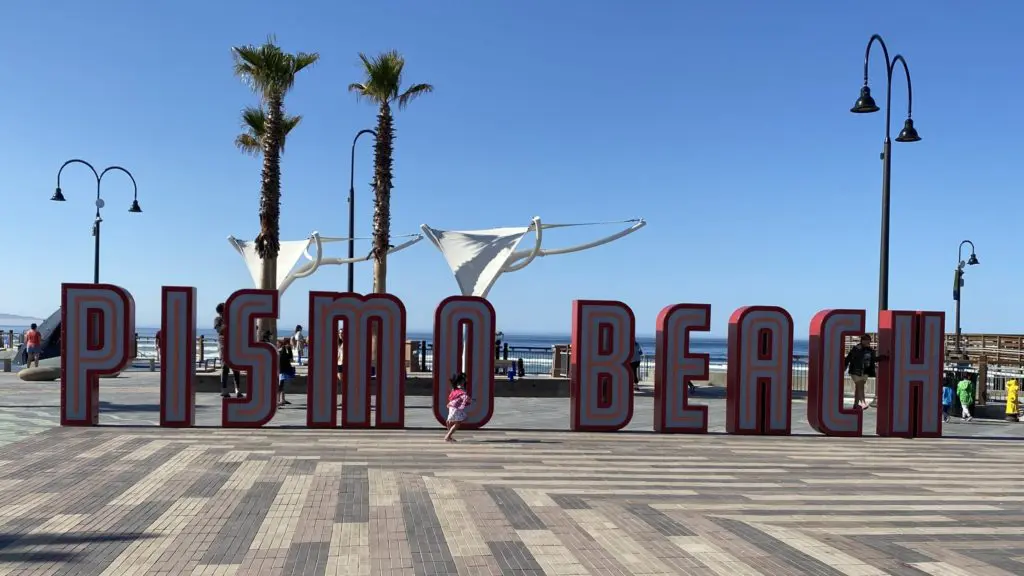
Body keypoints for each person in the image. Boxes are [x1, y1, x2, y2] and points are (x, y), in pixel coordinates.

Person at [844, 335, 884, 410]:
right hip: (855, 371)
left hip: (865, 372)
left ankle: (856, 405)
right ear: (861, 340)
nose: (867, 341)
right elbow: (849, 357)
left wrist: (883, 357)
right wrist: (845, 365)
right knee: (860, 385)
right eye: (865, 340)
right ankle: (863, 403)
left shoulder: (871, 350)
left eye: (868, 340)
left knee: (859, 387)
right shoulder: (856, 348)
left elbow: (873, 360)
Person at [214, 303, 243, 399]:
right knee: (225, 367)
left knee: (236, 368)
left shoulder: (232, 318)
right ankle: (224, 390)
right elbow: (219, 330)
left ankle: (238, 390)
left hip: (233, 343)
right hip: (223, 345)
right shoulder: (218, 320)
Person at [444, 373, 472, 443]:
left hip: (452, 406)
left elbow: (451, 397)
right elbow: (465, 398)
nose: (465, 382)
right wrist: (469, 399)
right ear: (461, 382)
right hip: (457, 408)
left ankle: (449, 435)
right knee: (458, 423)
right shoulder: (461, 391)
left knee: (454, 421)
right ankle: (448, 436)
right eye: (464, 381)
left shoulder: (454, 389)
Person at [277, 337, 295, 407]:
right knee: (281, 385)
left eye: (277, 343)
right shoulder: (282, 351)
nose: (277, 345)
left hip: (282, 371)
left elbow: (288, 358)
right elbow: (290, 358)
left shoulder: (281, 351)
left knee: (281, 385)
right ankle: (280, 400)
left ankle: (280, 400)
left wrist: (289, 349)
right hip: (283, 371)